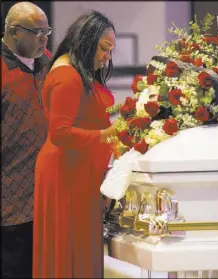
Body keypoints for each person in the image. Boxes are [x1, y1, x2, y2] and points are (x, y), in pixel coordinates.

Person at [33, 10, 118, 278]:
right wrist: (107, 134)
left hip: (79, 174)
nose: (107, 57)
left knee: (78, 251)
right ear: (87, 40)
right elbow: (61, 133)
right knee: (69, 252)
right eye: (104, 49)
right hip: (67, 175)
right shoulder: (67, 76)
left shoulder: (75, 71)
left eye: (111, 50)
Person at [1, 2, 52, 278]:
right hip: (10, 206)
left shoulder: (47, 62)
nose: (44, 38)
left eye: (47, 31)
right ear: (13, 32)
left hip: (45, 201)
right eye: (37, 32)